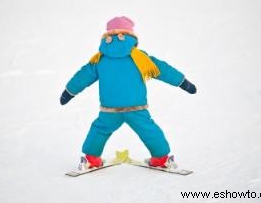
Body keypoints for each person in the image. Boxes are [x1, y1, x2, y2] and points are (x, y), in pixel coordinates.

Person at [60, 16, 196, 168]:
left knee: (99, 129)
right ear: (131, 37)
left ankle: (91, 159)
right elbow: (162, 69)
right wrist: (183, 82)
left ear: (107, 37)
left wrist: (68, 92)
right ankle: (161, 158)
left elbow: (82, 76)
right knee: (149, 131)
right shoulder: (139, 57)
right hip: (136, 108)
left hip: (109, 110)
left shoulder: (100, 60)